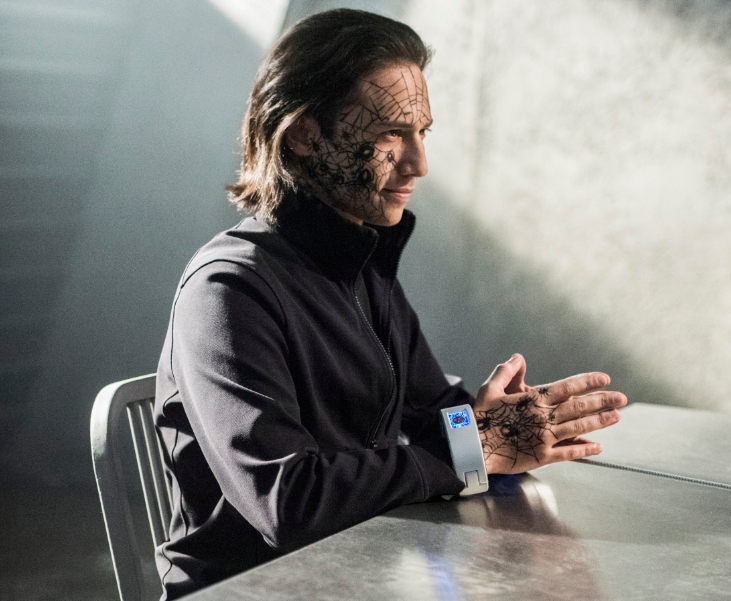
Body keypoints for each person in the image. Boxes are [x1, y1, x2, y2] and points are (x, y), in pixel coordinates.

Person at [153, 8, 627, 599]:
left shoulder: (362, 265)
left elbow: (434, 414)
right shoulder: (228, 290)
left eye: (422, 132)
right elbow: (288, 501)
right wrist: (475, 447)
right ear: (304, 135)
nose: (419, 163)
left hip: (357, 575)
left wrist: (502, 424)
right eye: (390, 135)